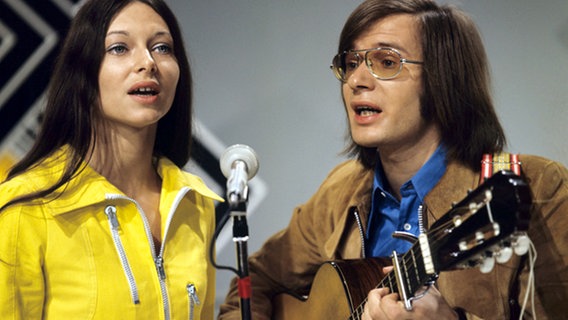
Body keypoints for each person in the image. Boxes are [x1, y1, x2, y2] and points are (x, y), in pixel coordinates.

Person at [218, 0, 568, 319]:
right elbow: (252, 284)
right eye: (351, 63)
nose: (357, 80)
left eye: (386, 62)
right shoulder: (342, 189)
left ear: (443, 80)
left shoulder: (537, 186)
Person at [0, 0, 222, 319]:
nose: (148, 62)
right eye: (120, 48)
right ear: (83, 73)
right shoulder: (25, 207)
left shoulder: (195, 203)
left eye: (162, 47)